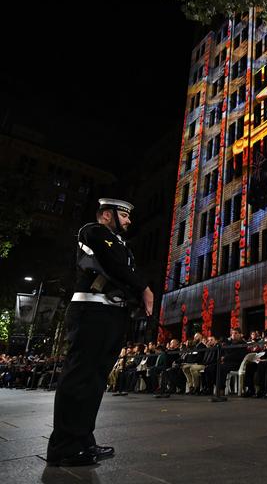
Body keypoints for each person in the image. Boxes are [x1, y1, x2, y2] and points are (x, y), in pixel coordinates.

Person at [47, 198, 154, 467]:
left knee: (95, 380)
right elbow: (113, 264)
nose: (129, 221)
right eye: (124, 215)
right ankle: (64, 446)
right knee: (80, 377)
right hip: (91, 311)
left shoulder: (119, 244)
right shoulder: (94, 232)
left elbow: (120, 267)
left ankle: (83, 440)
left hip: (110, 314)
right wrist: (143, 287)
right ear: (107, 215)